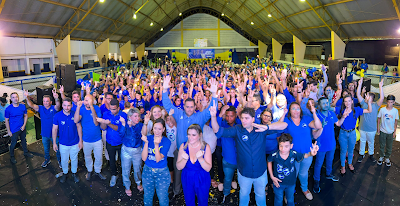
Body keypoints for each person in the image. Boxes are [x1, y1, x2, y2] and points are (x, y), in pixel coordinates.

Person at [212, 107, 288, 206]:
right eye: (242, 118)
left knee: (260, 195)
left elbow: (284, 125)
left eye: (247, 118)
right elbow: (218, 131)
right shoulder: (237, 129)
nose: (243, 120)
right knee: (244, 195)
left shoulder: (261, 129)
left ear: (253, 119)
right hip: (244, 173)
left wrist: (267, 127)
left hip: (260, 172)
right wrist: (213, 116)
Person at [162, 75, 218, 198]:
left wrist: (214, 94)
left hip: (197, 151)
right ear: (183, 106)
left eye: (191, 107)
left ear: (195, 107)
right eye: (187, 106)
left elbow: (211, 109)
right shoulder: (178, 113)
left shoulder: (200, 117)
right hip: (180, 150)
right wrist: (164, 90)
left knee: (197, 173)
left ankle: (197, 193)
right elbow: (167, 104)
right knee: (178, 172)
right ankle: (177, 192)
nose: (189, 109)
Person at [283, 101, 322, 200]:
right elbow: (280, 135)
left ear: (300, 110)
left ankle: (304, 189)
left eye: (298, 108)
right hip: (293, 155)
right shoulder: (287, 121)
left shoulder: (306, 119)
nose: (296, 110)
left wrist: (313, 112)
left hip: (307, 154)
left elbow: (318, 126)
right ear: (289, 111)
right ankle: (288, 193)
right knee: (292, 174)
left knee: (303, 173)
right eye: (293, 108)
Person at [268, 133, 319, 206]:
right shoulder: (274, 154)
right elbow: (269, 161)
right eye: (281, 146)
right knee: (278, 199)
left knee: (290, 199)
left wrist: (311, 154)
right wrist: (272, 177)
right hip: (278, 183)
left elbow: (304, 155)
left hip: (291, 183)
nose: (283, 149)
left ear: (291, 146)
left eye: (286, 146)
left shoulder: (293, 153)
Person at [312, 97, 348, 193]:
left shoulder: (332, 113)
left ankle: (328, 174)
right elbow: (314, 134)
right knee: (318, 164)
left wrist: (343, 117)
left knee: (330, 160)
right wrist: (321, 126)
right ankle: (316, 180)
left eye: (327, 103)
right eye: (323, 103)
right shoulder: (317, 116)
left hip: (331, 144)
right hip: (320, 145)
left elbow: (338, 124)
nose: (325, 105)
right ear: (319, 105)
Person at [24, 89, 61, 168]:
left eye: (47, 101)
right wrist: (27, 97)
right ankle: (47, 159)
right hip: (44, 134)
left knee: (57, 148)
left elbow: (58, 106)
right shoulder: (40, 108)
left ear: (51, 102)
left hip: (54, 134)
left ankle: (60, 160)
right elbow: (31, 105)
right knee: (46, 149)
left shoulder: (54, 108)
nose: (45, 103)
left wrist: (56, 98)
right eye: (44, 101)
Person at [176, 124, 212, 206]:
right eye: (189, 134)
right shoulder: (183, 146)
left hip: (202, 177)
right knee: (189, 201)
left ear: (200, 135)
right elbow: (178, 167)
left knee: (203, 201)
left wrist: (200, 159)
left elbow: (208, 168)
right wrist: (184, 159)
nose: (190, 137)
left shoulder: (206, 147)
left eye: (193, 135)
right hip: (187, 177)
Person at [336, 94, 372, 175]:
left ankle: (350, 164)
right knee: (343, 151)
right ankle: (343, 166)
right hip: (343, 132)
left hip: (352, 133)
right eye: (345, 101)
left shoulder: (356, 110)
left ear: (352, 101)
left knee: (351, 150)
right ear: (344, 103)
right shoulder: (340, 110)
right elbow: (330, 109)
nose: (348, 103)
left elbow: (369, 110)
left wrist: (369, 102)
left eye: (349, 101)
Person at [211, 105, 240, 203]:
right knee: (227, 179)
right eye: (227, 116)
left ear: (235, 115)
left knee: (243, 180)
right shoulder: (222, 124)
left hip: (241, 159)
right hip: (228, 159)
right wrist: (220, 113)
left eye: (231, 116)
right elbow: (213, 127)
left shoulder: (240, 123)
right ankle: (225, 195)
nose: (229, 118)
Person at [74, 95, 107, 181]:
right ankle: (89, 170)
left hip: (97, 139)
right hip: (86, 139)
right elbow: (76, 120)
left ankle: (98, 170)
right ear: (83, 101)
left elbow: (96, 123)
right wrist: (78, 107)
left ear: (93, 101)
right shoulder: (81, 109)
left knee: (99, 156)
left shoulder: (96, 108)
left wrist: (92, 107)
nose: (87, 102)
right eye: (86, 100)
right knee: (87, 156)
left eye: (89, 100)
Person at [141, 118, 171, 206]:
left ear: (163, 129)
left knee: (163, 197)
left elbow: (158, 159)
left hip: (162, 172)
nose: (157, 131)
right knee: (147, 196)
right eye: (155, 128)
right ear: (152, 128)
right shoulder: (148, 138)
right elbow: (143, 158)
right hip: (147, 171)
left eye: (160, 129)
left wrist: (156, 144)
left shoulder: (166, 141)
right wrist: (146, 143)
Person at [98, 98, 127, 187]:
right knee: (112, 160)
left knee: (124, 161)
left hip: (121, 142)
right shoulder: (106, 114)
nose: (111, 111)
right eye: (110, 109)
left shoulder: (123, 115)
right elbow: (103, 128)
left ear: (118, 108)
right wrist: (103, 122)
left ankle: (125, 177)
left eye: (113, 109)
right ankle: (114, 175)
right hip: (110, 141)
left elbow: (119, 129)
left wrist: (109, 123)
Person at [52, 98, 82, 183]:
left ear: (71, 106)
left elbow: (79, 127)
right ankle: (65, 173)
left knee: (74, 159)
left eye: (68, 105)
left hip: (75, 143)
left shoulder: (75, 114)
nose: (66, 107)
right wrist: (54, 143)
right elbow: (54, 129)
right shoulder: (57, 116)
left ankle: (74, 173)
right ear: (62, 105)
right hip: (63, 144)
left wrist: (80, 141)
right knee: (64, 160)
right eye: (65, 105)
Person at [356, 78, 384, 163]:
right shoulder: (363, 104)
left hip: (372, 129)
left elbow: (382, 98)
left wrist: (380, 87)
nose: (365, 96)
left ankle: (371, 154)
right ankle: (361, 154)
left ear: (371, 99)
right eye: (365, 96)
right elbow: (358, 94)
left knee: (371, 142)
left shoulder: (376, 105)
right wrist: (359, 84)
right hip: (362, 128)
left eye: (367, 96)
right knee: (362, 142)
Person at [118, 108, 144, 196]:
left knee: (138, 169)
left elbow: (138, 136)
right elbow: (121, 135)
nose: (138, 118)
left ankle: (138, 182)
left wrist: (131, 127)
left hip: (137, 150)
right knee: (126, 169)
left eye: (138, 116)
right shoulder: (124, 124)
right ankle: (127, 186)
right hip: (126, 150)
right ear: (129, 117)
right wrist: (124, 124)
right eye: (135, 116)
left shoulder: (140, 125)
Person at [5, 92, 33, 164]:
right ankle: (12, 156)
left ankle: (25, 152)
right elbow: (6, 120)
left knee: (23, 140)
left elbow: (26, 116)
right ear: (11, 99)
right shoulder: (8, 109)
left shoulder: (22, 106)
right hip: (14, 130)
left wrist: (24, 125)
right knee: (13, 143)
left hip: (22, 128)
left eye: (16, 97)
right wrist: (9, 131)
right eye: (13, 97)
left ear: (18, 98)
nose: (15, 99)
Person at [377, 95, 399, 166]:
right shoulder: (382, 109)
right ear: (386, 102)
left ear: (394, 102)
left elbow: (396, 121)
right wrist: (378, 128)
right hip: (383, 131)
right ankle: (381, 157)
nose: (389, 104)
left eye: (391, 102)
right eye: (388, 102)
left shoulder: (395, 111)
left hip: (390, 131)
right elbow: (379, 119)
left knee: (389, 146)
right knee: (382, 145)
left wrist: (394, 132)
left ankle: (387, 157)